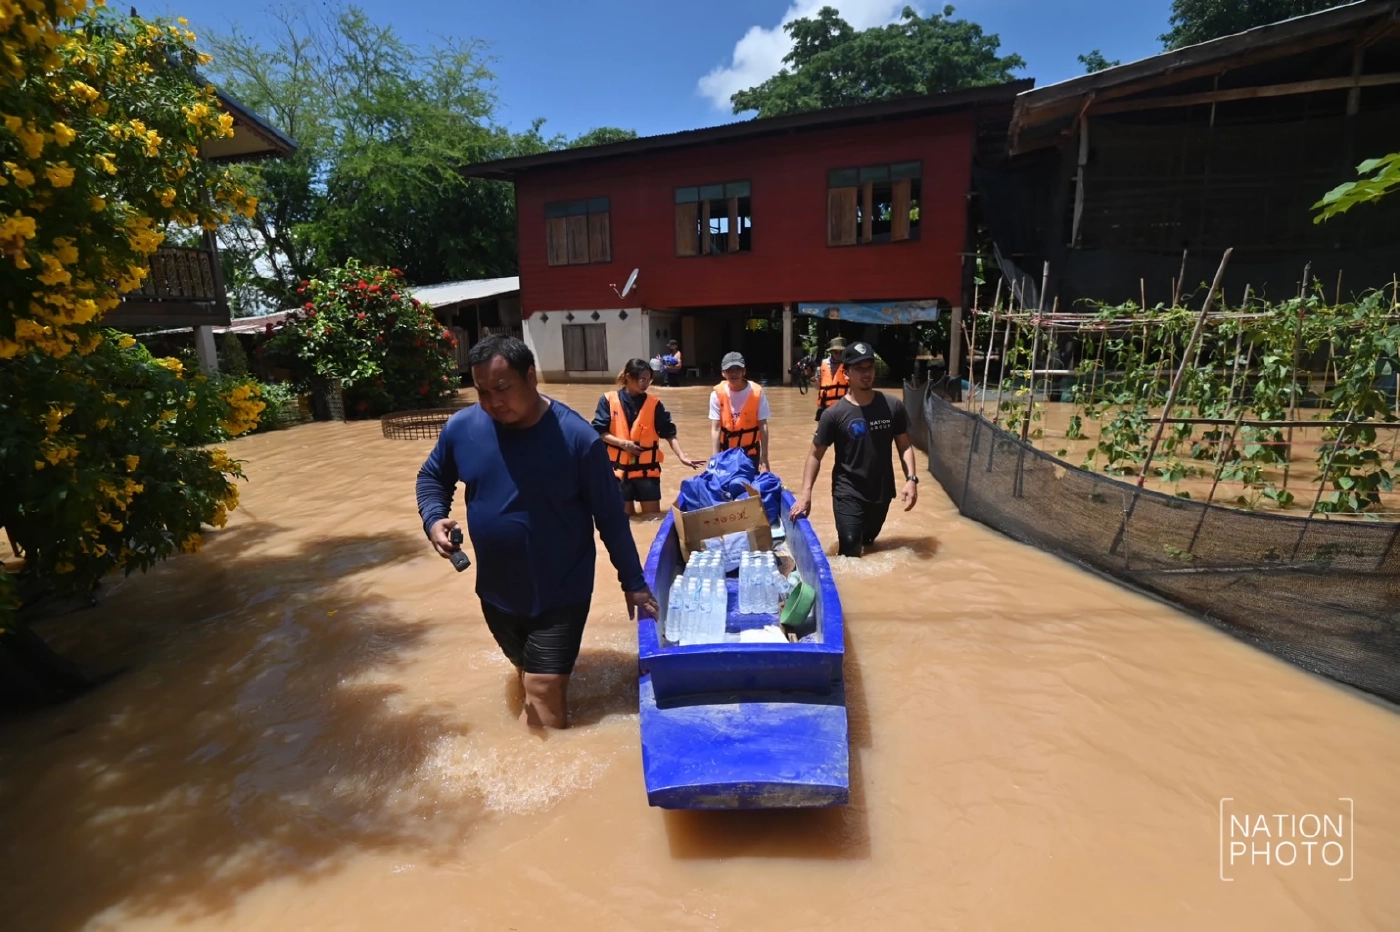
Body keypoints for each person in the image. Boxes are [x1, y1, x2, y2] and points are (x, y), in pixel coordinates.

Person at [416, 336, 658, 730]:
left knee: (543, 689)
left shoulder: (577, 439)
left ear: (530, 376)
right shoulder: (463, 428)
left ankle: (559, 781)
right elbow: (432, 477)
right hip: (496, 593)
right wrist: (433, 518)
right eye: (481, 391)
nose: (493, 402)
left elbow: (611, 518)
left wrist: (634, 582)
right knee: (524, 671)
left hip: (560, 593)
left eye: (501, 388)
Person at [790, 340, 919, 557]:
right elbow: (815, 455)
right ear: (846, 373)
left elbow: (905, 445)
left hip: (881, 491)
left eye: (869, 367)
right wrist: (806, 494)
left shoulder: (892, 406)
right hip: (847, 490)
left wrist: (911, 479)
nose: (866, 373)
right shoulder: (834, 415)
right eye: (859, 368)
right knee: (850, 548)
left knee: (868, 543)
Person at [592, 358, 703, 514]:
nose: (645, 383)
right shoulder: (608, 400)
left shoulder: (654, 404)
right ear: (629, 377)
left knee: (652, 518)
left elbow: (669, 433)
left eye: (648, 380)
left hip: (647, 471)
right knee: (627, 520)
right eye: (642, 379)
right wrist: (623, 444)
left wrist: (682, 456)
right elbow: (599, 431)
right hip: (618, 471)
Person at [709, 351, 771, 473]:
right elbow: (716, 429)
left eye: (737, 369)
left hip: (751, 453)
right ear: (723, 373)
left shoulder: (757, 393)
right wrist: (715, 459)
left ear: (744, 371)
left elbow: (763, 425)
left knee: (753, 490)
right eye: (729, 370)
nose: (733, 373)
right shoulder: (716, 395)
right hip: (726, 453)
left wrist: (764, 458)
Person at [816, 336, 850, 420]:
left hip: (843, 408)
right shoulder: (822, 365)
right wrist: (811, 377)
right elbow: (818, 387)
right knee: (821, 432)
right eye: (835, 352)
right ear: (831, 352)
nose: (838, 355)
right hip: (825, 407)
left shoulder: (849, 366)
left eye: (841, 352)